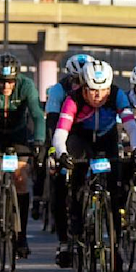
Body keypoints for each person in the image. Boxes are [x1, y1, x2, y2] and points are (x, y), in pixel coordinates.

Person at [52, 60, 136, 272]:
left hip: (106, 139)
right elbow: (60, 133)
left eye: (103, 90)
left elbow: (131, 126)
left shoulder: (117, 96)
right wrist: (61, 153)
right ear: (84, 87)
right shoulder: (73, 100)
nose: (98, 96)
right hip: (79, 138)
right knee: (76, 179)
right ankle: (76, 221)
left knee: (115, 194)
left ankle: (115, 248)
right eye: (92, 90)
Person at [0, 53, 46, 257]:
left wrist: (39, 141)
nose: (6, 87)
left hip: (18, 136)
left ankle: (21, 235)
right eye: (2, 82)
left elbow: (36, 115)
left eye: (10, 82)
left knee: (20, 179)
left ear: (17, 79)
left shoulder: (26, 86)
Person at [44, 54, 94, 230]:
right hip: (64, 133)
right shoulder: (59, 90)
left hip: (88, 134)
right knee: (59, 185)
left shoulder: (96, 89)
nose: (79, 84)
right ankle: (63, 238)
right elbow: (52, 122)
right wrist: (52, 150)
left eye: (84, 80)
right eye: (76, 80)